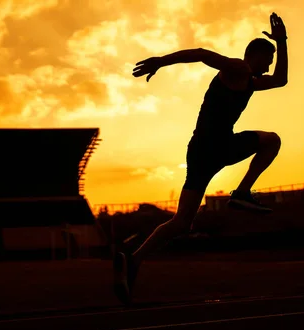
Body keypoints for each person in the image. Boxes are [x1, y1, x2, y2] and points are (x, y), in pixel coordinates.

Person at [113, 12, 288, 305]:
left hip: (200, 151)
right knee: (272, 140)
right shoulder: (237, 68)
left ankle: (132, 260)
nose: (267, 68)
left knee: (182, 222)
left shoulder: (248, 82)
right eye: (266, 61)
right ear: (254, 56)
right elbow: (201, 54)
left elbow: (281, 80)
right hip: (217, 145)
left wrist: (282, 42)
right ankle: (243, 192)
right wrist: (160, 61)